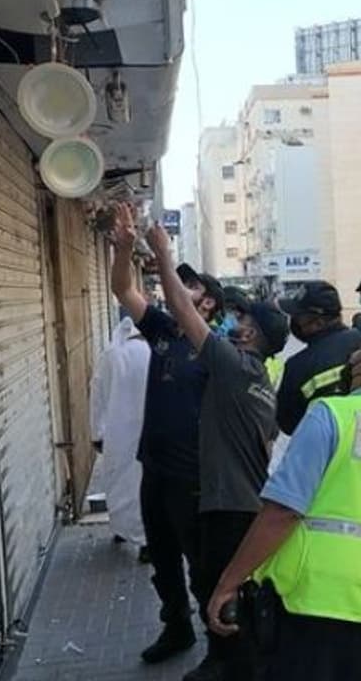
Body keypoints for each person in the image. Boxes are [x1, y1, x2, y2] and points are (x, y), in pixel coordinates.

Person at [205, 316, 361, 681]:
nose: (352, 355)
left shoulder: (332, 415)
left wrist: (229, 582)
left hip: (318, 608)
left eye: (360, 348)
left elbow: (282, 513)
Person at [142, 211, 289, 681]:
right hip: (238, 499)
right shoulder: (258, 378)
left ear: (252, 335)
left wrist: (164, 256)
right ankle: (226, 662)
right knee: (217, 584)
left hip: (229, 504)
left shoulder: (237, 367)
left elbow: (184, 314)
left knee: (220, 587)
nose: (234, 320)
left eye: (242, 317)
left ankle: (235, 667)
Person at [109, 210, 223, 664]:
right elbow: (123, 289)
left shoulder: (215, 346)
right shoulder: (162, 329)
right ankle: (176, 627)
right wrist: (122, 249)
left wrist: (164, 253)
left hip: (192, 473)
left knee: (201, 564)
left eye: (191, 286)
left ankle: (219, 646)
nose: (180, 288)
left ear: (209, 303)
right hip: (153, 467)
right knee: (162, 557)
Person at [90, 316, 151, 551]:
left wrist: (97, 432)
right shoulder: (153, 352)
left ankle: (121, 529)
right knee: (144, 485)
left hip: (117, 432)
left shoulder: (110, 355)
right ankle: (147, 541)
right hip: (149, 430)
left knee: (119, 484)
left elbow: (96, 395)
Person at [275, 281, 361, 435]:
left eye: (298, 316)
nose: (294, 321)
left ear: (318, 322)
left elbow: (288, 424)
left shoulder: (298, 366)